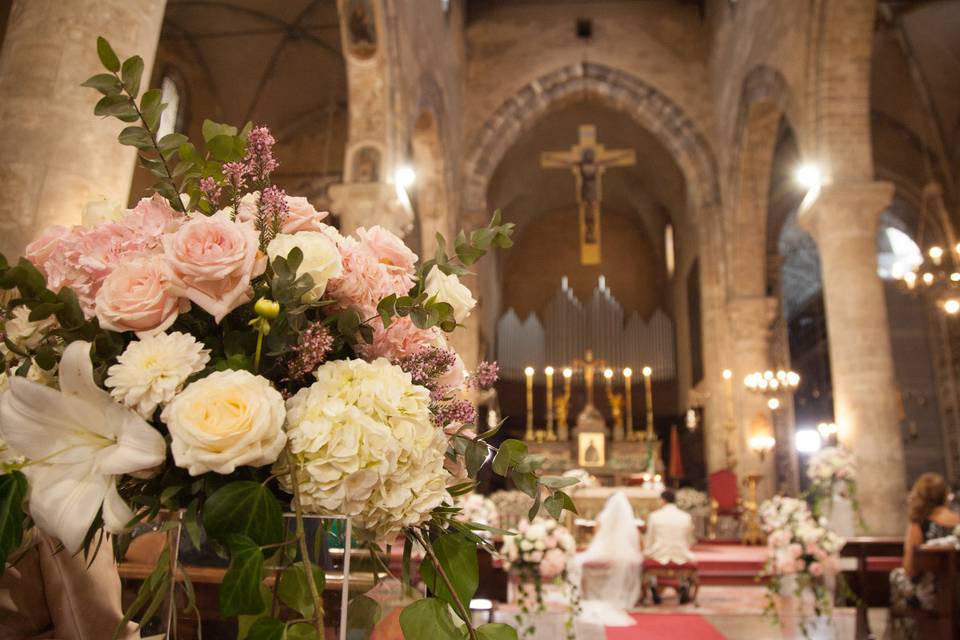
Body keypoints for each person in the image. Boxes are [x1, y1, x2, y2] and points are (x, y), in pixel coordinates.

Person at [887, 472, 960, 640]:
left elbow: (910, 569)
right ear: (944, 495)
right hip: (957, 591)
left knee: (896, 576)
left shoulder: (919, 524)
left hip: (931, 597)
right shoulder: (958, 522)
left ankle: (903, 635)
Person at [569, 491, 643, 627]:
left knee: (576, 561)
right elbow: (636, 539)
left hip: (603, 551)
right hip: (624, 553)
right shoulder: (628, 521)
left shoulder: (602, 517)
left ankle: (586, 594)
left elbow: (597, 537)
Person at [644, 488, 696, 604]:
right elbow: (690, 540)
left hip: (659, 553)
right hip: (681, 554)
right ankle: (684, 585)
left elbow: (650, 539)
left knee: (644, 558)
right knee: (685, 556)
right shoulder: (686, 516)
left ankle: (653, 585)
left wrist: (646, 552)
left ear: (663, 500)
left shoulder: (654, 516)